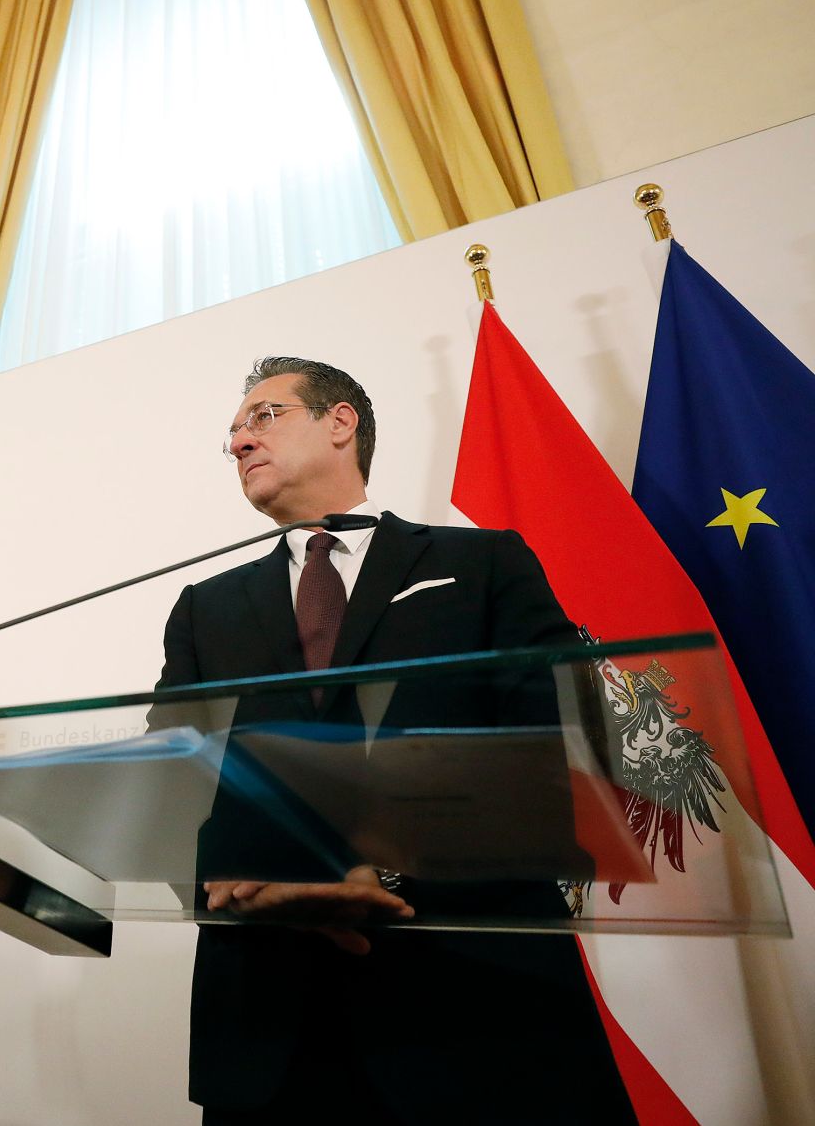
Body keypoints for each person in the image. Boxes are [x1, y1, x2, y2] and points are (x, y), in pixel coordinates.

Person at [159, 357, 633, 1125]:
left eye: (263, 416)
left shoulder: (481, 565)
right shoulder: (203, 607)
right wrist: (240, 887)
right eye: (233, 434)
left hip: (478, 1007)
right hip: (271, 1027)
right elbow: (172, 782)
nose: (240, 441)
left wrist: (388, 868)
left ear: (340, 421)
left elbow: (560, 742)